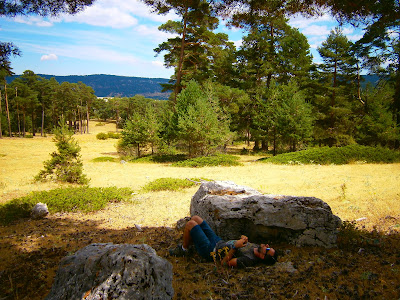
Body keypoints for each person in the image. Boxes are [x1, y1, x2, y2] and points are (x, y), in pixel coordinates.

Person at [169, 215, 278, 268]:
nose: (267, 245)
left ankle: (184, 249)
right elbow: (239, 242)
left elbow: (224, 263)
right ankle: (192, 242)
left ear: (263, 256)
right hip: (217, 241)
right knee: (196, 218)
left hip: (211, 251)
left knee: (190, 224)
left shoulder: (248, 260)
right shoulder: (255, 246)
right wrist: (243, 239)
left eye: (267, 249)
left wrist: (235, 247)